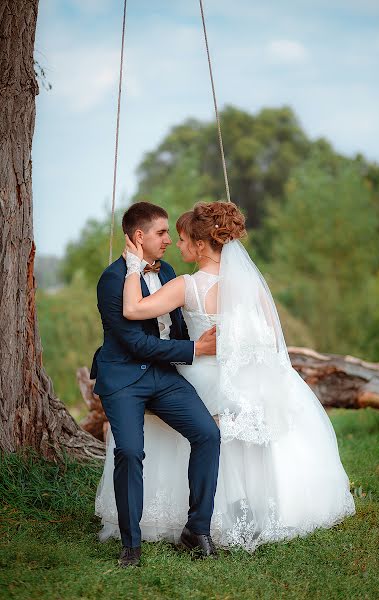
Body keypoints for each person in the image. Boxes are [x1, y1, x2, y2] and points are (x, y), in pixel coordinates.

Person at [96, 200, 355, 554]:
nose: (176, 243)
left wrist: (133, 271)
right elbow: (268, 335)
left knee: (204, 430)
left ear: (201, 245)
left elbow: (138, 310)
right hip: (245, 372)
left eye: (183, 238)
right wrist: (260, 369)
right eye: (166, 234)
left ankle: (199, 522)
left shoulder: (185, 282)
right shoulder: (250, 285)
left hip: (203, 370)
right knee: (231, 434)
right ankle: (245, 511)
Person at [92, 202, 221, 567]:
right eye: (162, 233)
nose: (168, 240)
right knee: (130, 452)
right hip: (123, 378)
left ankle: (196, 530)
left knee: (208, 435)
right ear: (139, 237)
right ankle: (131, 545)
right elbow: (135, 342)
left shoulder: (168, 273)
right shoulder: (112, 280)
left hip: (164, 376)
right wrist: (195, 349)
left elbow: (175, 325)